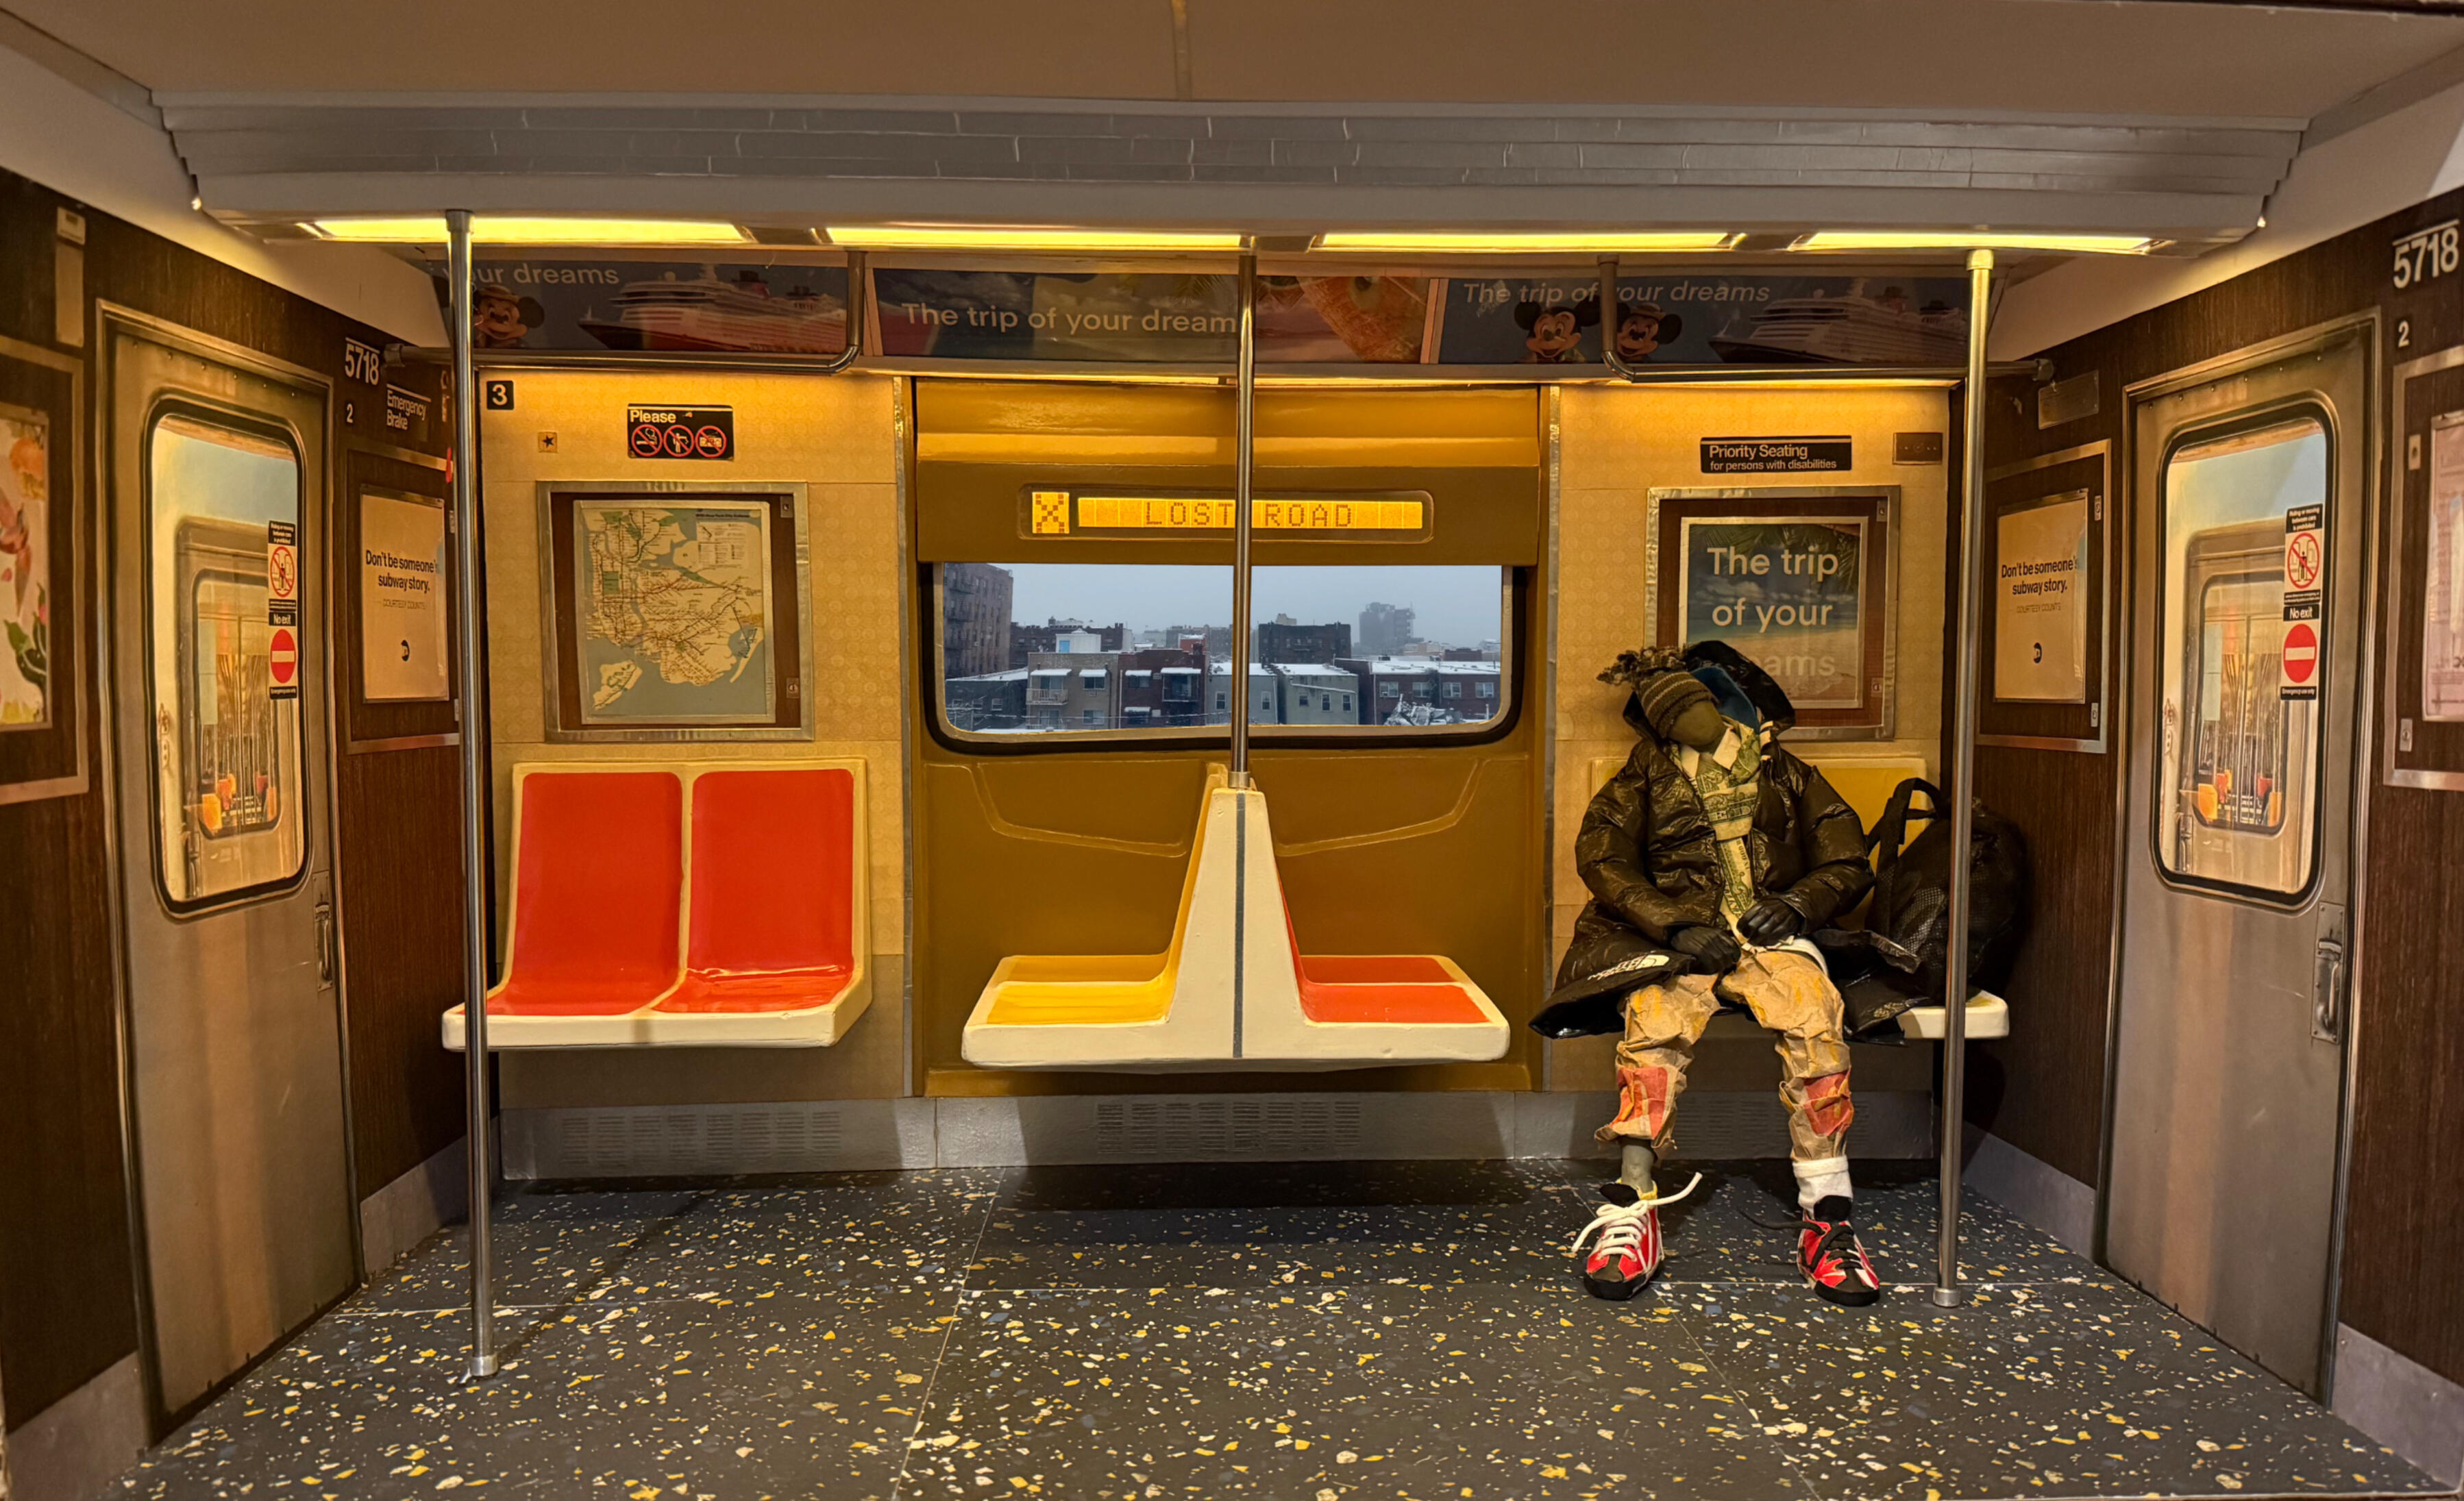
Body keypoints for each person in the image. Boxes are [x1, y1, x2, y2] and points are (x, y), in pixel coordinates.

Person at [1559, 645, 1882, 1306]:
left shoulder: (1785, 773)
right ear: (1659, 730)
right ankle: (1635, 1203)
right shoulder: (1641, 778)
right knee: (1652, 1025)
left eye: (1695, 707)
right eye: (1673, 717)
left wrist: (1796, 904)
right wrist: (1674, 924)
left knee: (1816, 1022)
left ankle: (1828, 1214)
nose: (1691, 724)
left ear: (1720, 703)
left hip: (1776, 937)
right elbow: (1603, 859)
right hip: (1683, 943)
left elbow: (1847, 858)